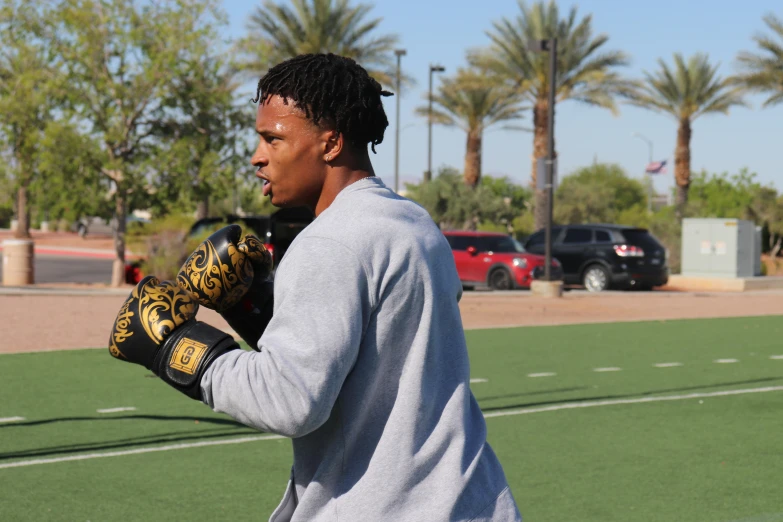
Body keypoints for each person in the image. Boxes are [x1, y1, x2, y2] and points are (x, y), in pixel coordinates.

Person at [109, 53, 521, 521]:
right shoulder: (413, 223)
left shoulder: (329, 242)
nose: (257, 156)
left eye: (274, 139)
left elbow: (291, 401)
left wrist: (179, 352)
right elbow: (364, 354)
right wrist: (249, 307)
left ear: (330, 143)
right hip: (470, 502)